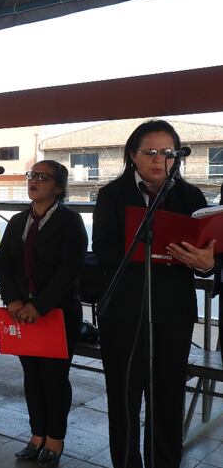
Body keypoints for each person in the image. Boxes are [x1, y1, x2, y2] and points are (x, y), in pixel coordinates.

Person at [93, 119, 217, 468]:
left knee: (168, 401)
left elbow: (210, 253)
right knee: (124, 402)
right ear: (132, 155)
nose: (159, 159)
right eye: (150, 152)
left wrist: (207, 263)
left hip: (173, 315)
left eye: (168, 152)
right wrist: (151, 253)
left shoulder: (191, 196)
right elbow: (103, 249)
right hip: (124, 313)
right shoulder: (112, 195)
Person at [0, 161, 87, 467]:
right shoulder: (18, 220)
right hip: (20, 312)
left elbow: (69, 269)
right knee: (31, 375)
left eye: (42, 177)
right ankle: (36, 435)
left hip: (57, 312)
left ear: (58, 187)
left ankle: (55, 439)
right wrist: (12, 300)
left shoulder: (70, 221)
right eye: (31, 175)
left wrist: (39, 305)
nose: (33, 181)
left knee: (54, 377)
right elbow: (4, 262)